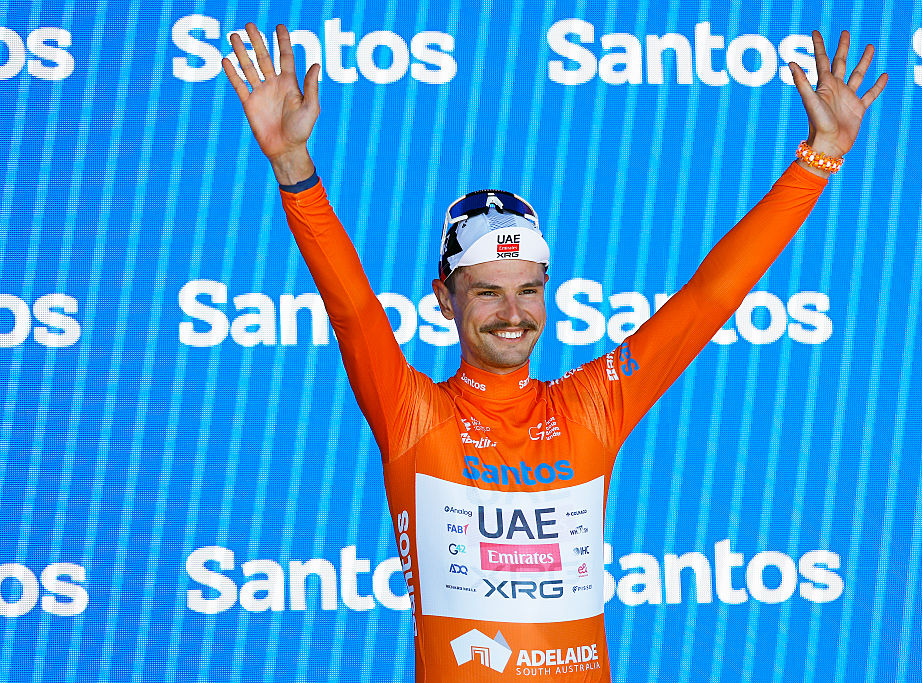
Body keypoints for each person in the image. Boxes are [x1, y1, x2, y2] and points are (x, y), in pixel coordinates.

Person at [223, 23, 885, 682]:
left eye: (528, 290)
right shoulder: (412, 414)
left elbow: (709, 297)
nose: (513, 314)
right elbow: (353, 310)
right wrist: (293, 168)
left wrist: (820, 155)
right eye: (487, 292)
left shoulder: (592, 405)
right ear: (444, 300)